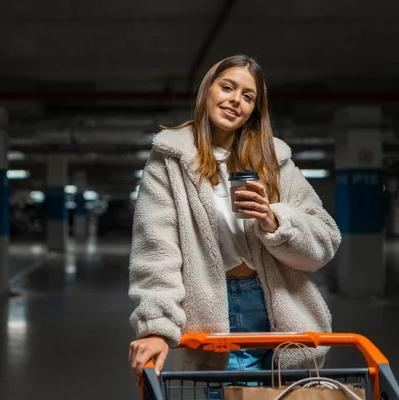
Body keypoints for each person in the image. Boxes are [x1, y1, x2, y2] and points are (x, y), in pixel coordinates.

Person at [127, 54, 342, 384]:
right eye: (227, 87)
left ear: (254, 110)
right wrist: (156, 327)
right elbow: (156, 253)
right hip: (218, 308)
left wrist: (275, 220)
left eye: (248, 96)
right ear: (207, 91)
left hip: (284, 307)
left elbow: (325, 239)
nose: (235, 101)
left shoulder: (275, 161)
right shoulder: (169, 162)